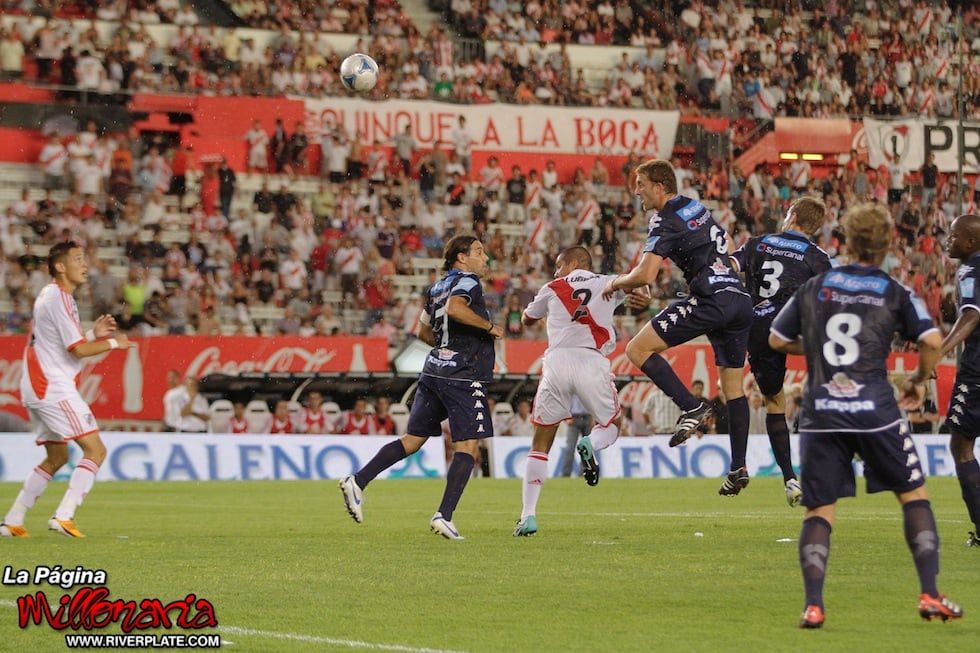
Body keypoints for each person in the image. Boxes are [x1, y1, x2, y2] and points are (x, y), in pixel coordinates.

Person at [769, 203, 963, 628]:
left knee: (819, 510)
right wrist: (919, 378)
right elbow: (931, 340)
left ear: (849, 241)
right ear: (886, 244)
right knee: (913, 496)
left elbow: (778, 339)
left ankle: (814, 605)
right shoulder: (894, 290)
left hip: (821, 414)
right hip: (876, 411)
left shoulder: (816, 286)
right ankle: (930, 593)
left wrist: (816, 349)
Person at [602, 159, 754, 496]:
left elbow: (645, 274)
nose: (636, 191)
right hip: (738, 298)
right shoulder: (694, 205)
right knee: (733, 388)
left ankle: (692, 406)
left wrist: (614, 284)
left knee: (636, 349)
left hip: (712, 299)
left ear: (659, 186)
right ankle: (739, 466)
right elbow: (725, 244)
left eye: (640, 184)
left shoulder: (664, 218)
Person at [339, 236, 502, 539]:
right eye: (479, 251)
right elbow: (455, 309)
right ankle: (444, 515)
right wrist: (490, 328)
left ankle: (358, 481)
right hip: (463, 374)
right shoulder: (468, 281)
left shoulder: (436, 287)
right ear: (461, 258)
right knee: (468, 446)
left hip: (435, 370)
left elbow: (422, 330)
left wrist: (445, 347)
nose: (486, 257)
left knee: (413, 440)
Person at [1, 241, 134, 539]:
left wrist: (92, 334)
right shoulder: (59, 297)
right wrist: (114, 343)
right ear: (61, 266)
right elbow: (78, 351)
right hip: (52, 388)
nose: (84, 264)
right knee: (96, 450)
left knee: (57, 457)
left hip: (38, 386)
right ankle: (64, 515)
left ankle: (13, 520)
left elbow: (63, 344)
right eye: (77, 259)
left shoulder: (54, 297)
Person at [515, 246, 648, 536]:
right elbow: (636, 282)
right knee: (612, 425)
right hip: (591, 361)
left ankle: (528, 516)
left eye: (559, 264)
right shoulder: (605, 282)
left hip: (557, 363)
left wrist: (535, 314)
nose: (555, 271)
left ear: (574, 262)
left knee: (540, 443)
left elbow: (526, 319)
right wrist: (644, 292)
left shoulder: (552, 287)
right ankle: (591, 444)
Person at [730, 196, 833, 506]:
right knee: (779, 400)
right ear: (815, 227)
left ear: (791, 215)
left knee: (753, 392)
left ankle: (750, 467)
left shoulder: (758, 243)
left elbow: (729, 266)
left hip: (755, 325)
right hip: (790, 326)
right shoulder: (818, 257)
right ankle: (793, 477)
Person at [938, 213, 980, 548]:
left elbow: (973, 315)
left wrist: (940, 350)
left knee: (961, 446)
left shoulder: (970, 268)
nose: (948, 241)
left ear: (971, 242)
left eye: (953, 237)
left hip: (977, 371)